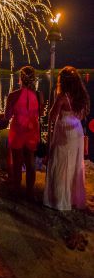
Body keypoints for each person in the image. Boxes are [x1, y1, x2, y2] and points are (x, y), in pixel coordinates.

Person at [43, 66, 90, 211]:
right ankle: (73, 198)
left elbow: (51, 117)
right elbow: (81, 116)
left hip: (63, 132)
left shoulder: (62, 97)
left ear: (62, 81)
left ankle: (60, 201)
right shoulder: (81, 95)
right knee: (74, 165)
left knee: (60, 164)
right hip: (77, 131)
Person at [4, 66, 44, 199]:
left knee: (17, 162)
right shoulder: (39, 95)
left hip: (18, 131)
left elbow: (7, 116)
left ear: (21, 78)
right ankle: (30, 191)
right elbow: (41, 113)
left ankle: (17, 190)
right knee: (30, 162)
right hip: (32, 131)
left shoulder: (13, 95)